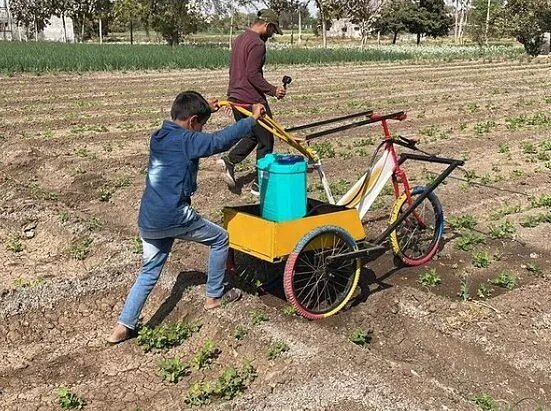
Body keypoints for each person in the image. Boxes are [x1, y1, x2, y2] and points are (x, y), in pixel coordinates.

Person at [108, 91, 265, 344]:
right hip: (175, 214)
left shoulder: (159, 136)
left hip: (149, 217)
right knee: (220, 239)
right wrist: (251, 121)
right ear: (192, 122)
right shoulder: (188, 141)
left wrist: (205, 109)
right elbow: (217, 142)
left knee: (149, 272)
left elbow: (192, 130)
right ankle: (214, 296)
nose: (201, 130)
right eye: (200, 125)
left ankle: (123, 325)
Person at [218, 9, 286, 195]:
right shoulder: (257, 44)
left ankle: (229, 161)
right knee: (266, 140)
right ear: (266, 25)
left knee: (252, 135)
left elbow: (234, 71)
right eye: (272, 30)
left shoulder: (239, 39)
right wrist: (273, 90)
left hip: (237, 98)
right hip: (252, 100)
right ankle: (260, 184)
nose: (272, 35)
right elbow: (252, 75)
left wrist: (231, 96)